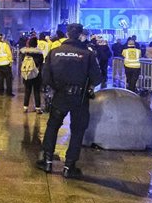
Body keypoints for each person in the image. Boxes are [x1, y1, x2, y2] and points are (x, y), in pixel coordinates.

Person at [38, 23, 103, 178]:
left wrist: (57, 88)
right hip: (79, 98)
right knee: (77, 131)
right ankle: (69, 166)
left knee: (52, 127)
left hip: (60, 96)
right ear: (80, 35)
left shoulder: (54, 52)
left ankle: (47, 161)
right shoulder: (87, 54)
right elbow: (97, 78)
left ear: (67, 34)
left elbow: (45, 77)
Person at [19, 36, 45, 113]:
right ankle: (38, 108)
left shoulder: (24, 52)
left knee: (27, 90)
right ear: (36, 44)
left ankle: (25, 107)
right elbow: (41, 63)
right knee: (36, 91)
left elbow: (22, 61)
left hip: (27, 73)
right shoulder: (39, 53)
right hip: (36, 74)